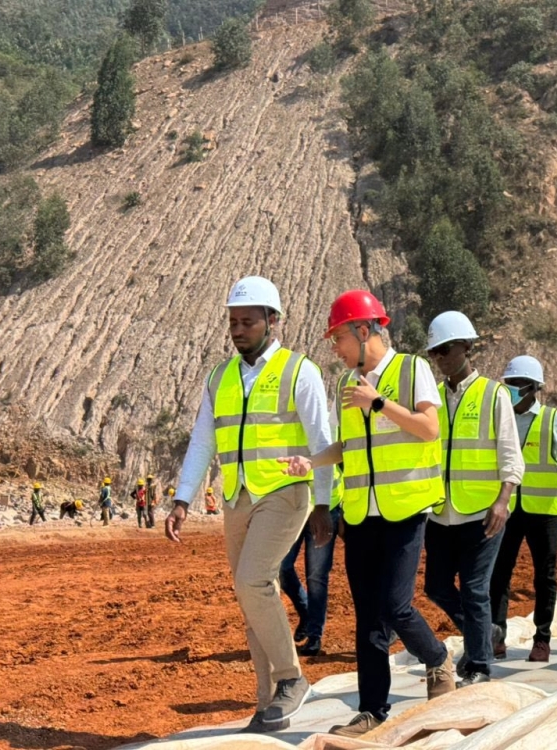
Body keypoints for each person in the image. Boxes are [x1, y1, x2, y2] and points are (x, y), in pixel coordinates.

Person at [278, 289, 454, 739]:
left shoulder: (412, 369)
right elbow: (348, 447)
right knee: (366, 617)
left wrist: (378, 403)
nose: (334, 348)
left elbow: (429, 429)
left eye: (337, 337)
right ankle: (372, 709)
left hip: (404, 509)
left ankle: (436, 658)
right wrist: (311, 461)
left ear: (362, 330)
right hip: (360, 514)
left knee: (395, 605)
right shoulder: (345, 386)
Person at [166, 276, 333, 734]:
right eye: (232, 322)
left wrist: (324, 503)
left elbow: (324, 441)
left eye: (247, 322)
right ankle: (268, 707)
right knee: (248, 595)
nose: (238, 330)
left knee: (254, 580)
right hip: (237, 495)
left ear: (272, 321)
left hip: (285, 493)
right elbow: (203, 440)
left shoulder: (300, 372)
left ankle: (291, 679)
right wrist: (183, 497)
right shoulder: (219, 376)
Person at [422, 311, 523, 685]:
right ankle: (484, 634)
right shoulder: (431, 396)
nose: (440, 358)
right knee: (435, 587)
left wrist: (502, 500)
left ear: (467, 347)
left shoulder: (493, 394)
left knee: (476, 588)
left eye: (446, 349)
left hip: (482, 512)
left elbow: (511, 453)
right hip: (441, 513)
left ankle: (479, 665)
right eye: (434, 352)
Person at [490, 355, 557, 663]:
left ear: (534, 388)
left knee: (545, 576)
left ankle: (542, 639)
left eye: (518, 384)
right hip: (508, 509)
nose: (513, 389)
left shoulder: (552, 420)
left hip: (544, 511)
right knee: (499, 574)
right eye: (509, 384)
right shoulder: (500, 418)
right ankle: (496, 637)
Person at [280, 467, 343, 658]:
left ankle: (315, 635)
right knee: (281, 567)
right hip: (293, 509)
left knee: (316, 576)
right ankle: (306, 612)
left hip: (326, 508)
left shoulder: (328, 435)